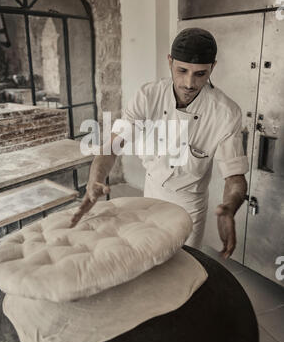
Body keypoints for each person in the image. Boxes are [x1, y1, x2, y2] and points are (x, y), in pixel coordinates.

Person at [70, 28, 248, 259]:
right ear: (170, 62)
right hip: (151, 192)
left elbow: (234, 177)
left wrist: (230, 208)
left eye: (200, 74)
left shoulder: (225, 112)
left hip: (189, 204)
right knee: (148, 255)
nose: (189, 83)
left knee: (183, 263)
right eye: (181, 70)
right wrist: (96, 178)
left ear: (212, 67)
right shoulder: (148, 96)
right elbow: (113, 144)